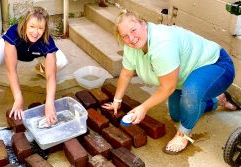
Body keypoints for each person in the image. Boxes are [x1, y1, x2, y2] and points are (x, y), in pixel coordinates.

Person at [102, 10, 240, 155]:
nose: (131, 38)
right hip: (186, 74)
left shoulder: (162, 43)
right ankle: (217, 99)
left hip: (217, 65)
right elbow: (126, 73)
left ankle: (184, 136)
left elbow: (168, 87)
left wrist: (143, 108)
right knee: (177, 115)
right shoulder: (131, 47)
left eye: (133, 30)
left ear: (143, 24)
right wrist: (116, 101)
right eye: (125, 36)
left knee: (191, 93)